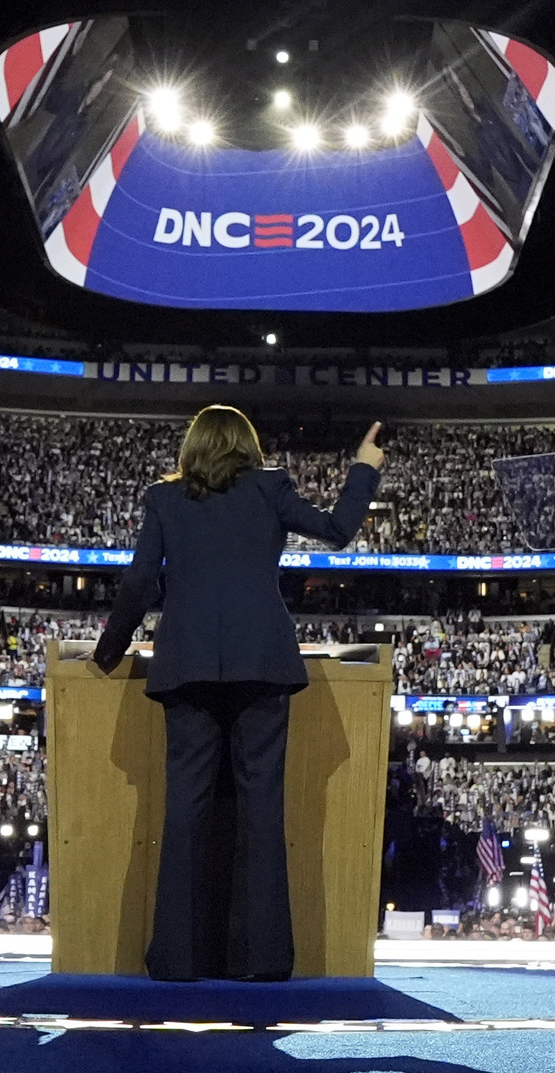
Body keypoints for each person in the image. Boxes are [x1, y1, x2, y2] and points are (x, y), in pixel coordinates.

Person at [92, 408, 384, 981]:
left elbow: (140, 582)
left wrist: (109, 651)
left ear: (191, 447)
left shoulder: (164, 499)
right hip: (262, 665)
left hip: (188, 667)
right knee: (262, 813)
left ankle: (176, 960)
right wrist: (363, 468)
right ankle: (265, 960)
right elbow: (337, 530)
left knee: (183, 814)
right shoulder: (269, 488)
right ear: (247, 446)